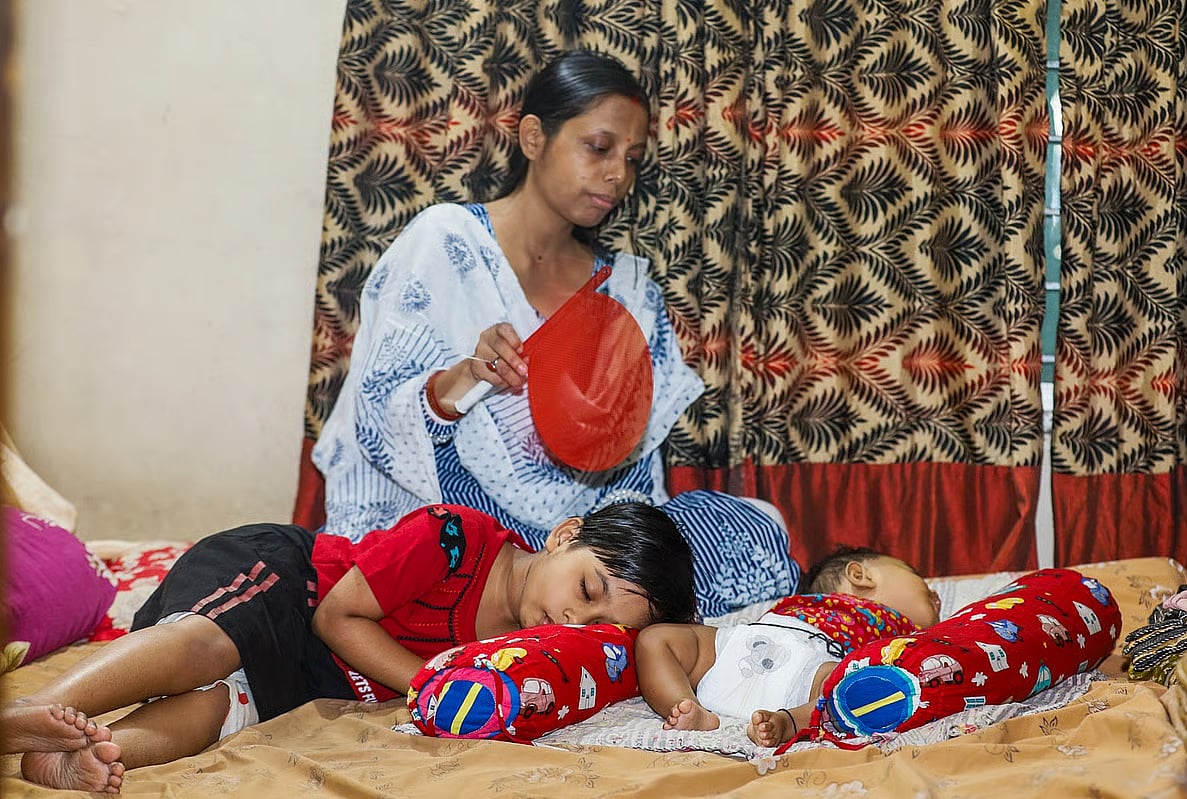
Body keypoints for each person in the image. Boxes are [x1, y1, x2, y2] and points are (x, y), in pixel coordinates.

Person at [310, 49, 798, 616]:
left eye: (633, 159)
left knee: (746, 531)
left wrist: (611, 546)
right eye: (599, 147)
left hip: (579, 550)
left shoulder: (627, 293)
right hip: (456, 534)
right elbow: (379, 413)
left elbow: (635, 475)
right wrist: (466, 378)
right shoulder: (447, 245)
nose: (618, 174)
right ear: (534, 137)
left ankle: (580, 596)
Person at [2, 501, 696, 792]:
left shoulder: (530, 652)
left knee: (214, 712)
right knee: (205, 648)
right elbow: (340, 615)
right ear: (564, 534)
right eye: (589, 583)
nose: (576, 611)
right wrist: (433, 681)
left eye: (599, 620)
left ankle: (72, 756)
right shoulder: (455, 535)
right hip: (290, 584)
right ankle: (33, 708)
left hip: (309, 677)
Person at [635, 547, 942, 747]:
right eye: (920, 581)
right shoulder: (816, 605)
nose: (934, 594)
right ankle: (688, 707)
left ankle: (790, 720)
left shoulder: (906, 635)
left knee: (850, 685)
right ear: (859, 575)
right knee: (655, 639)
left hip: (815, 671)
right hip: (746, 643)